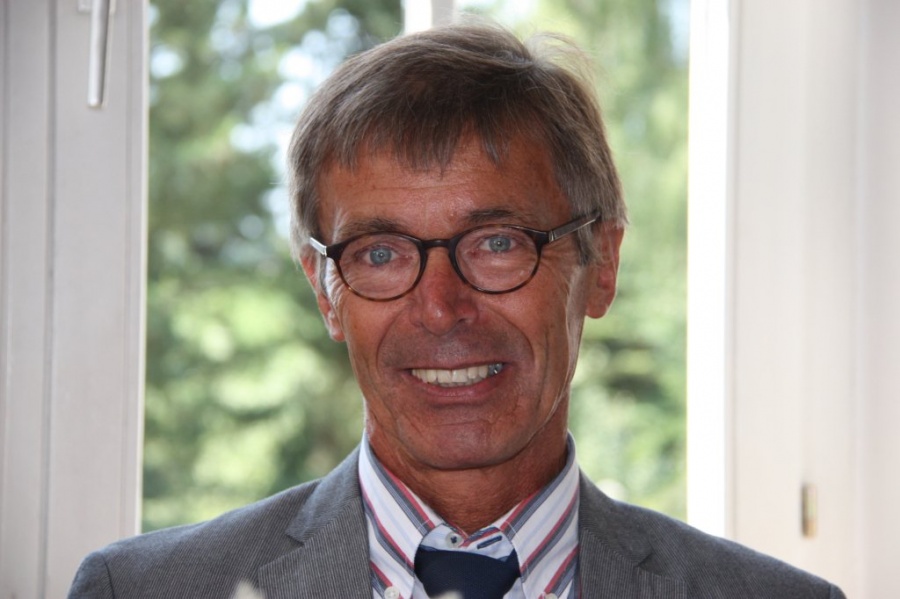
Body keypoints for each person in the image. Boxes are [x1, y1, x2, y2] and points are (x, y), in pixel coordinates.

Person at [68, 20, 845, 599]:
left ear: (601, 264)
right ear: (324, 290)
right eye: (380, 253)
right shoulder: (138, 590)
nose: (440, 308)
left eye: (497, 243)